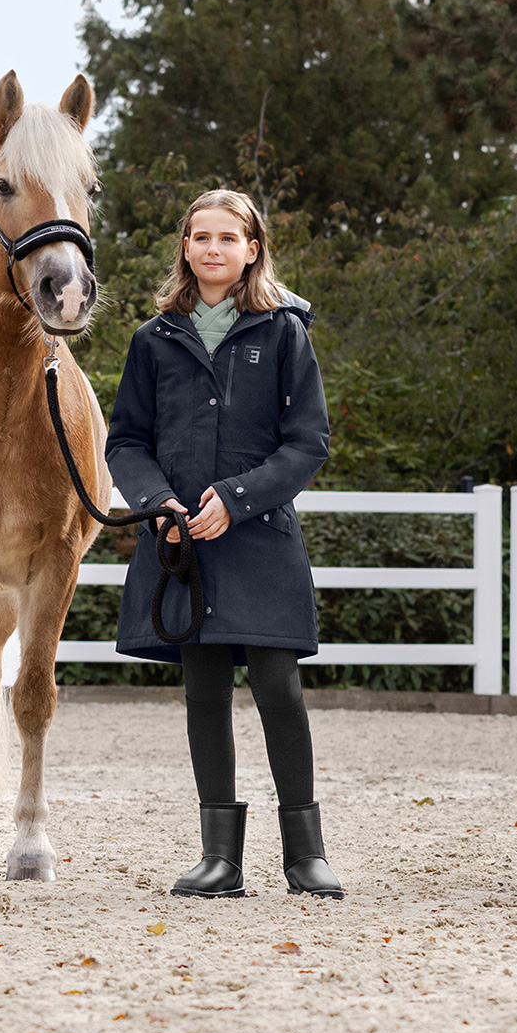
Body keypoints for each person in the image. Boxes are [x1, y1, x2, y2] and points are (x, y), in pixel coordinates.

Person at [105, 188, 342, 899]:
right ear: (185, 247)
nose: (213, 249)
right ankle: (221, 860)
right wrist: (156, 503)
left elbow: (308, 444)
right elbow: (127, 440)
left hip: (260, 538)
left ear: (252, 248)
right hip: (181, 546)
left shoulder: (284, 333)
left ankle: (306, 856)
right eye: (200, 237)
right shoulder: (153, 339)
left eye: (227, 238)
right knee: (203, 692)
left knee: (278, 687)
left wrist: (236, 501)